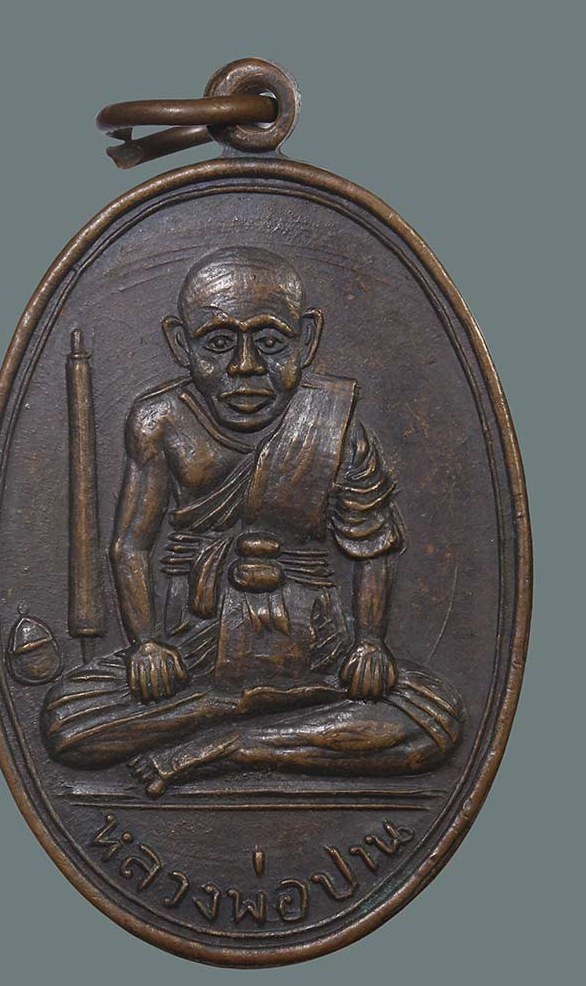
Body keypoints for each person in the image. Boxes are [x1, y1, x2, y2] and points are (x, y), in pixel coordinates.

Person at [41, 247, 462, 796]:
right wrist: (146, 644)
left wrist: (369, 644)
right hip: (194, 656)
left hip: (317, 650)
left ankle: (233, 744)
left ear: (307, 340)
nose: (245, 366)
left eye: (270, 342)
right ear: (180, 345)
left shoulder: (334, 423)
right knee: (66, 722)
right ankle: (247, 710)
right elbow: (130, 546)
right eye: (218, 343)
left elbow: (374, 547)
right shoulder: (159, 422)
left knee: (437, 722)